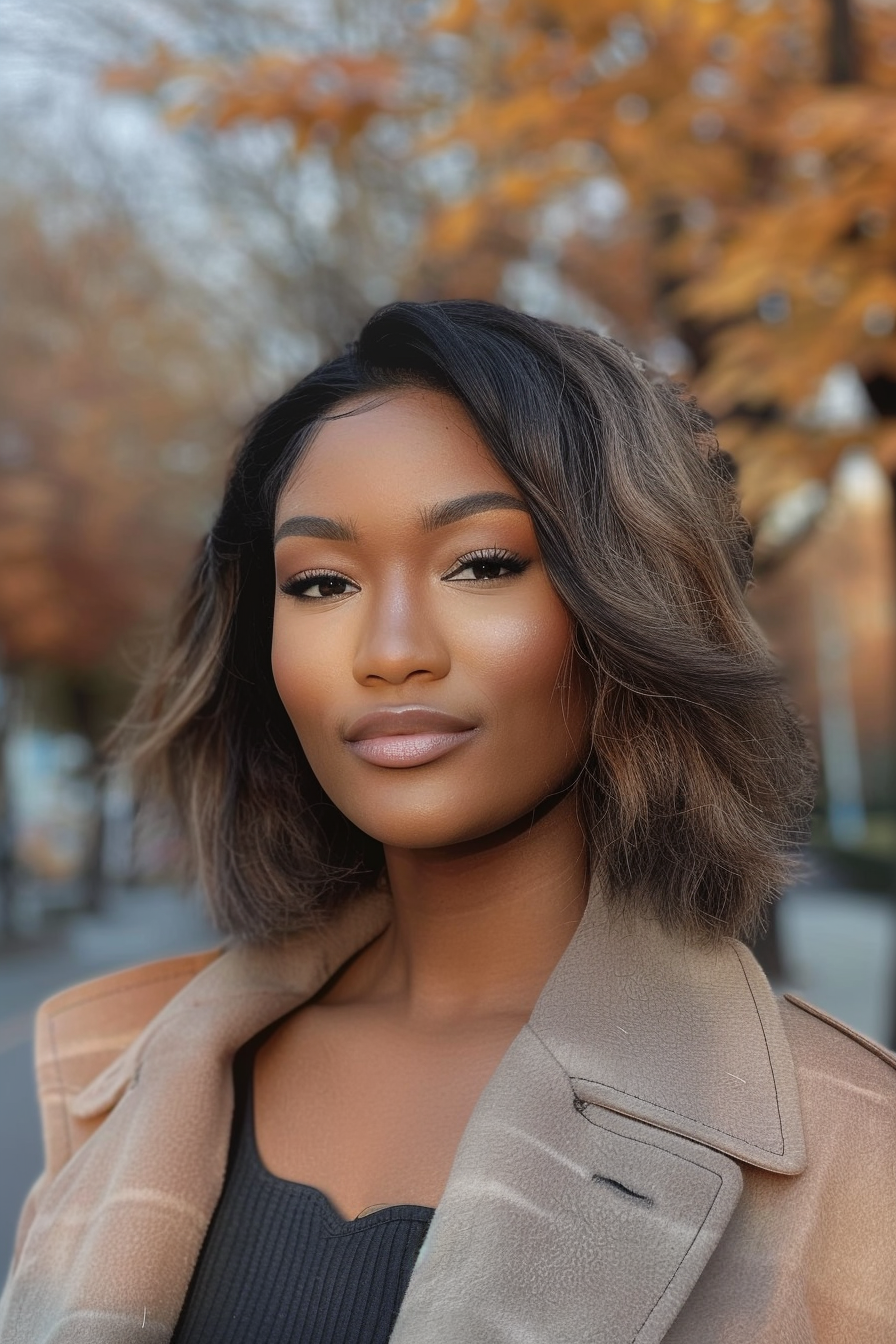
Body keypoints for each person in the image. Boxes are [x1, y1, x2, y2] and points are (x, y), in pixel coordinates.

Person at [2, 300, 894, 1344]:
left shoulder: (846, 1151)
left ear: (625, 603)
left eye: (480, 564)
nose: (388, 649)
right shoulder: (140, 1080)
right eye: (321, 582)